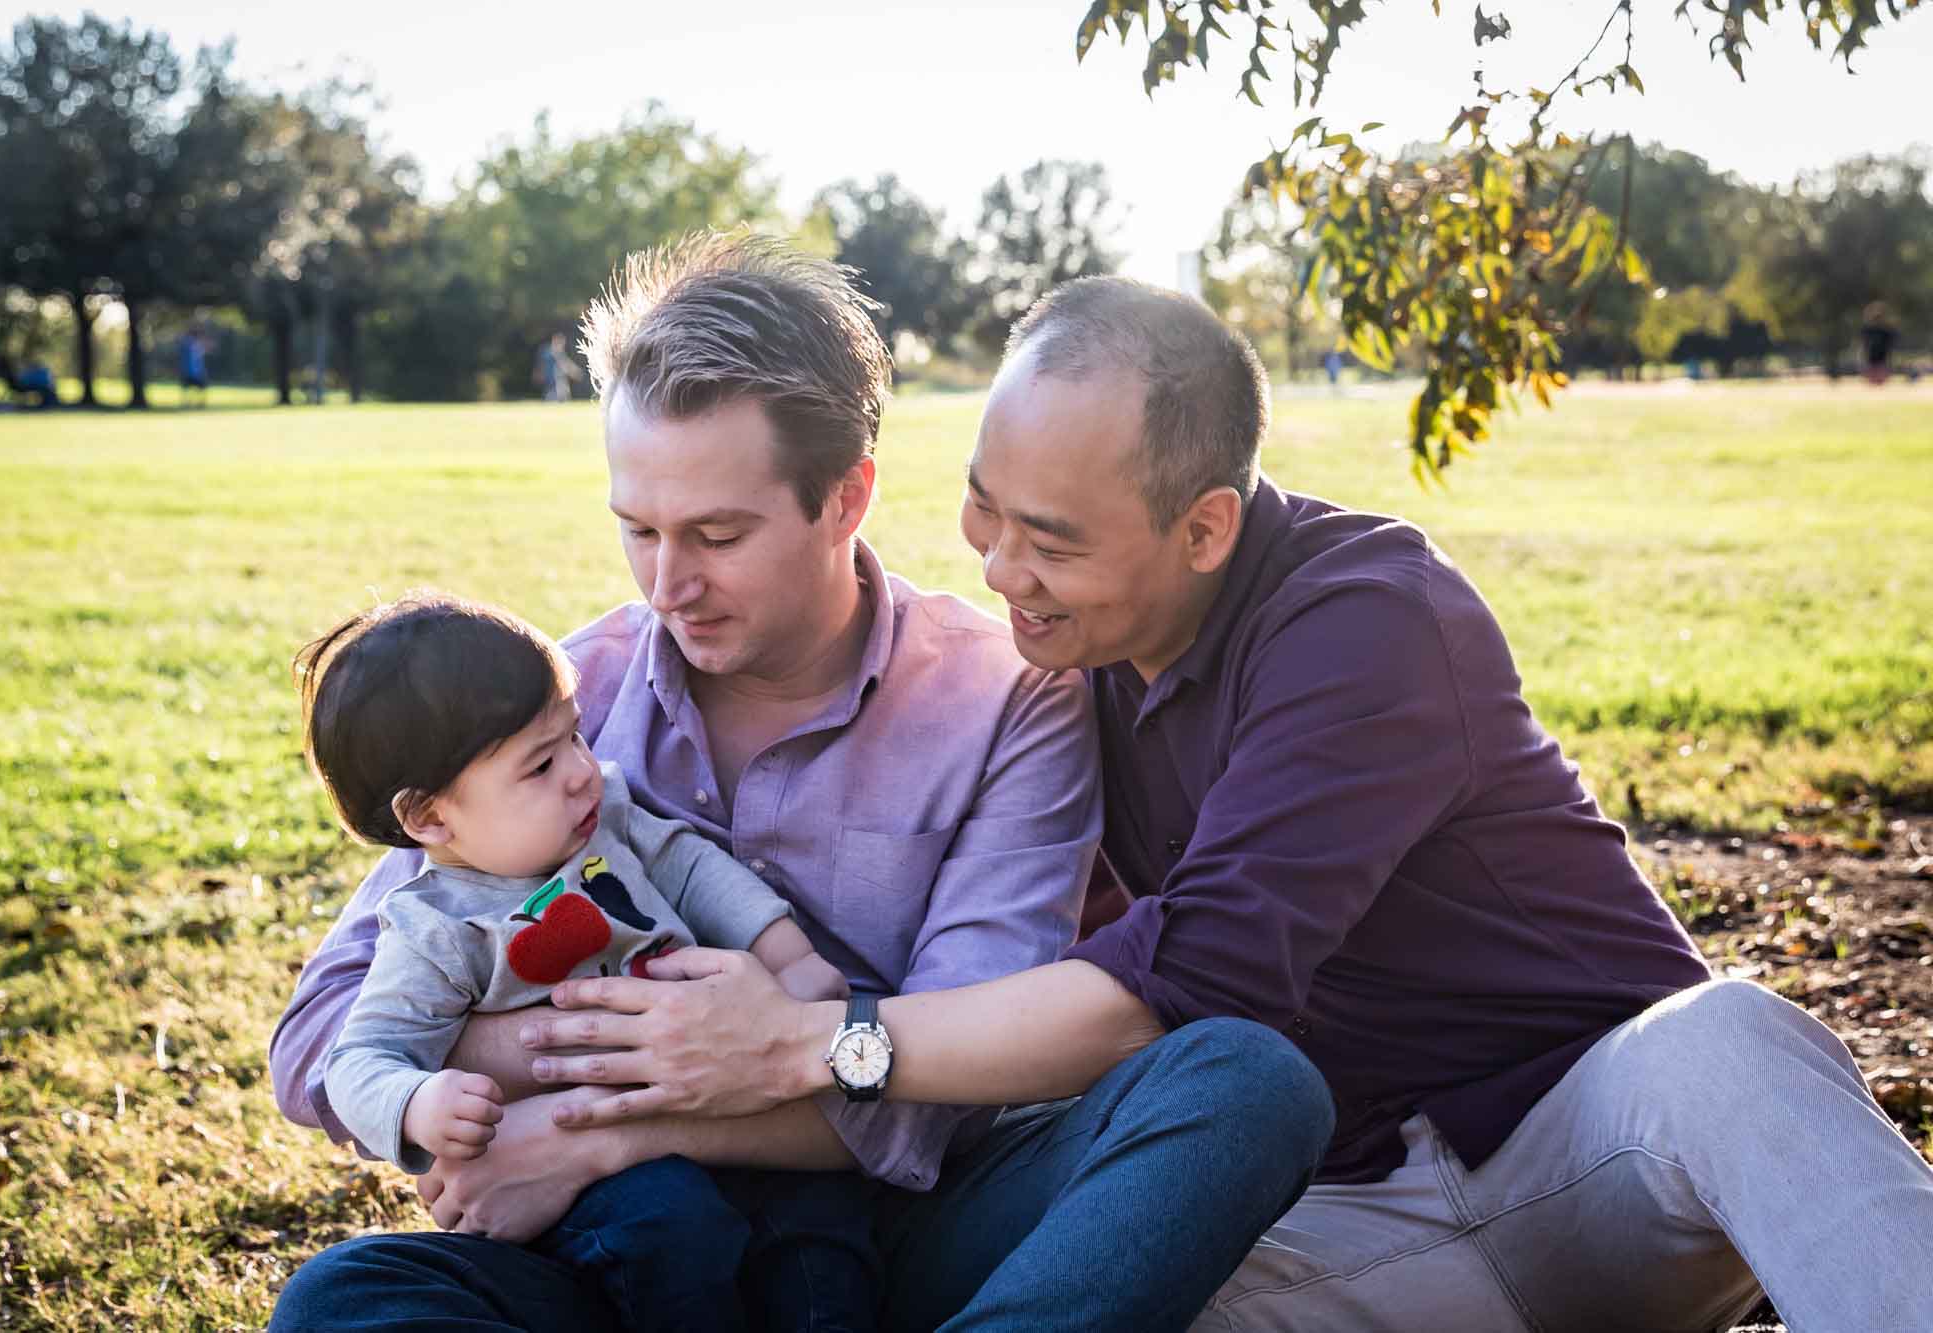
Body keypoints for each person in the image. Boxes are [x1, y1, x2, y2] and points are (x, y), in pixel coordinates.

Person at [521, 276, 1933, 1332]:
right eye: (983, 511)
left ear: (1205, 526)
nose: (1002, 570)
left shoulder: (1367, 616)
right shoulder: (1070, 677)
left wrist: (815, 1047)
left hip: (1580, 1164)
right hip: (1336, 1225)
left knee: (1733, 1042)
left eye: (1053, 538)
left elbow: (1189, 978)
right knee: (1105, 1260)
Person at [267, 234, 1332, 1333]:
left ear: (845, 496)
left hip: (904, 1233)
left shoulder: (1008, 701)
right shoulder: (549, 704)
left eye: (718, 534)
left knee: (1241, 1082)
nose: (668, 584)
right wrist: (567, 1058)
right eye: (637, 529)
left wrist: (615, 1122)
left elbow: (939, 1097)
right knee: (344, 1300)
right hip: (615, 1244)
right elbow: (319, 1039)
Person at [293, 590, 870, 1331]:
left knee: (818, 1224)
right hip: (596, 1184)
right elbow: (358, 1059)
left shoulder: (608, 822)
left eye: (576, 737)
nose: (581, 772)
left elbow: (692, 868)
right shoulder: (435, 932)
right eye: (540, 764)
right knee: (669, 1225)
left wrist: (786, 958)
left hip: (728, 1112)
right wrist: (417, 1102)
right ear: (431, 816)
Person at [536, 332, 573, 402]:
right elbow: (541, 365)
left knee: (562, 395)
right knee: (553, 397)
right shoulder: (549, 352)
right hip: (551, 380)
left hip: (559, 380)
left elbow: (566, 365)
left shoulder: (559, 352)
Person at [179, 325, 211, 406]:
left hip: (193, 371)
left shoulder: (189, 343)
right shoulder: (191, 344)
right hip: (192, 372)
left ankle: (194, 402)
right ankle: (191, 402)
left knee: (192, 387)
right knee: (191, 387)